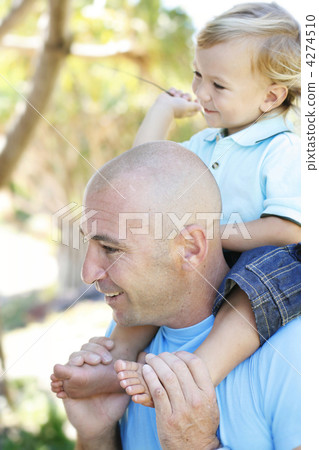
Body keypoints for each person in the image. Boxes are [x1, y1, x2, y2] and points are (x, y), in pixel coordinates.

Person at [51, 1, 301, 408]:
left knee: (255, 290)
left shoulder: (283, 149)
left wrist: (212, 235)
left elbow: (291, 230)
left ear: (271, 97)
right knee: (149, 276)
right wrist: (163, 110)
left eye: (218, 86)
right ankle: (112, 365)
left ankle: (192, 376)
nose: (202, 93)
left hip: (260, 269)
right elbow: (142, 174)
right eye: (198, 75)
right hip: (198, 264)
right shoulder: (205, 142)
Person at [53, 141, 300, 449]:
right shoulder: (128, 342)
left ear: (191, 248)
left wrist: (198, 445)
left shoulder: (294, 353)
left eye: (111, 249)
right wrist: (96, 434)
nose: (88, 274)